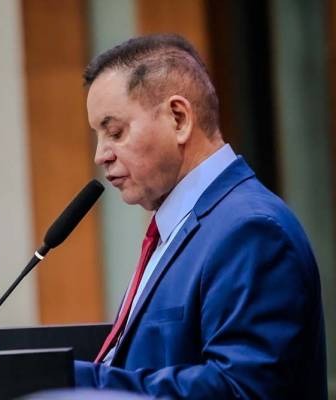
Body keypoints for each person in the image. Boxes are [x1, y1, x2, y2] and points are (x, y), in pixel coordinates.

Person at [74, 34, 327, 399]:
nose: (101, 155)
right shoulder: (181, 226)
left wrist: (75, 382)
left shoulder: (251, 229)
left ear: (178, 118)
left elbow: (240, 389)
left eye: (115, 132)